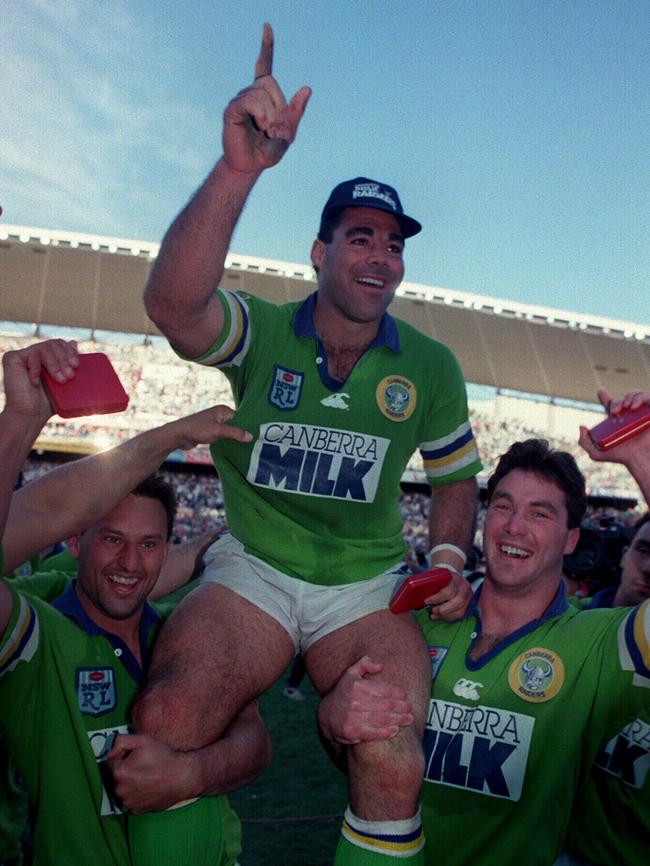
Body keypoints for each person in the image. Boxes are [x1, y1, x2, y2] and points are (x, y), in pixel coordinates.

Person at [140, 23, 481, 864]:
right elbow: (176, 309)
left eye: (393, 243)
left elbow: (456, 480)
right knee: (168, 722)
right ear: (320, 250)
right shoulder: (263, 328)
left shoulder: (431, 365)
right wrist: (239, 168)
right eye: (360, 237)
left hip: (363, 589)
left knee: (391, 750)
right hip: (251, 566)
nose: (380, 257)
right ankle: (232, 756)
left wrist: (446, 551)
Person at [319, 390, 650, 865]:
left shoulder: (599, 645)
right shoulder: (418, 614)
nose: (515, 526)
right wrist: (334, 721)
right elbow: (359, 755)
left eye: (540, 514)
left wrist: (640, 456)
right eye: (502, 506)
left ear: (572, 538)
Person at [0, 339, 271, 866]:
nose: (130, 561)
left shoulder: (187, 632)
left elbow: (255, 746)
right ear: (74, 540)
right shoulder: (41, 640)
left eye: (149, 545)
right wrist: (20, 421)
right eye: (111, 539)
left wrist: (190, 774)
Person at [558, 391, 650, 866]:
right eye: (645, 550)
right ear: (623, 553)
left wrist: (637, 457)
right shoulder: (570, 624)